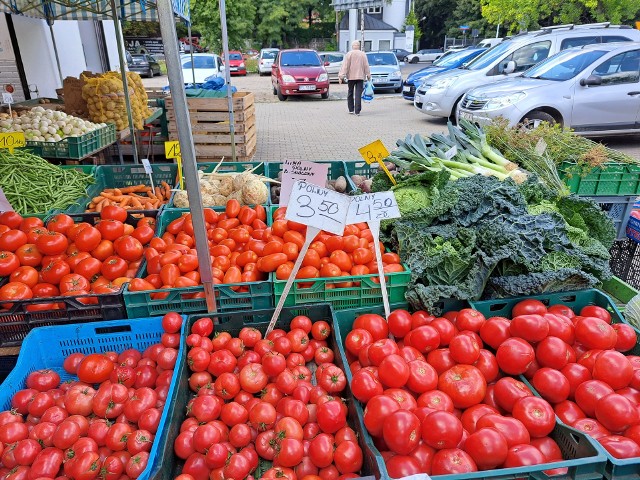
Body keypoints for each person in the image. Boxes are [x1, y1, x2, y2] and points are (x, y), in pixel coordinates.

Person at [338, 40, 371, 116]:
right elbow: (366, 66)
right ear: (358, 46)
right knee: (358, 94)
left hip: (351, 77)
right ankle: (357, 111)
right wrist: (368, 75)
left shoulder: (349, 54)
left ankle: (351, 109)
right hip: (360, 77)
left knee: (350, 92)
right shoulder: (363, 54)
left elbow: (345, 66)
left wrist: (341, 76)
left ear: (352, 46)